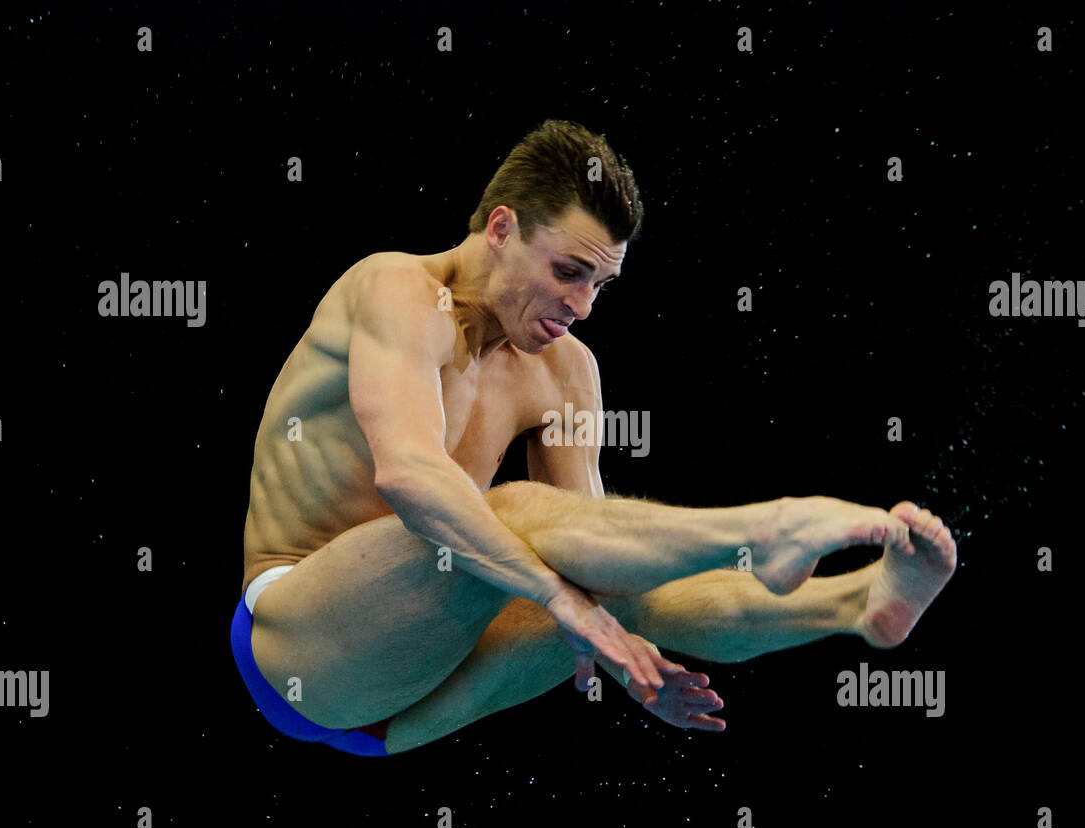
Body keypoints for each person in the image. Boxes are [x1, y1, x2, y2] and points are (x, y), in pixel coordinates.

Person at [229, 119, 957, 757]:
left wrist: (613, 647)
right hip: (300, 643)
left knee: (617, 582)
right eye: (569, 272)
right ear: (502, 227)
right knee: (508, 516)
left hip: (406, 702)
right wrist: (564, 603)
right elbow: (410, 472)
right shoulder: (398, 291)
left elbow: (598, 548)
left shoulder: (568, 370)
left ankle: (854, 605)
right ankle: (771, 525)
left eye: (601, 285)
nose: (581, 306)